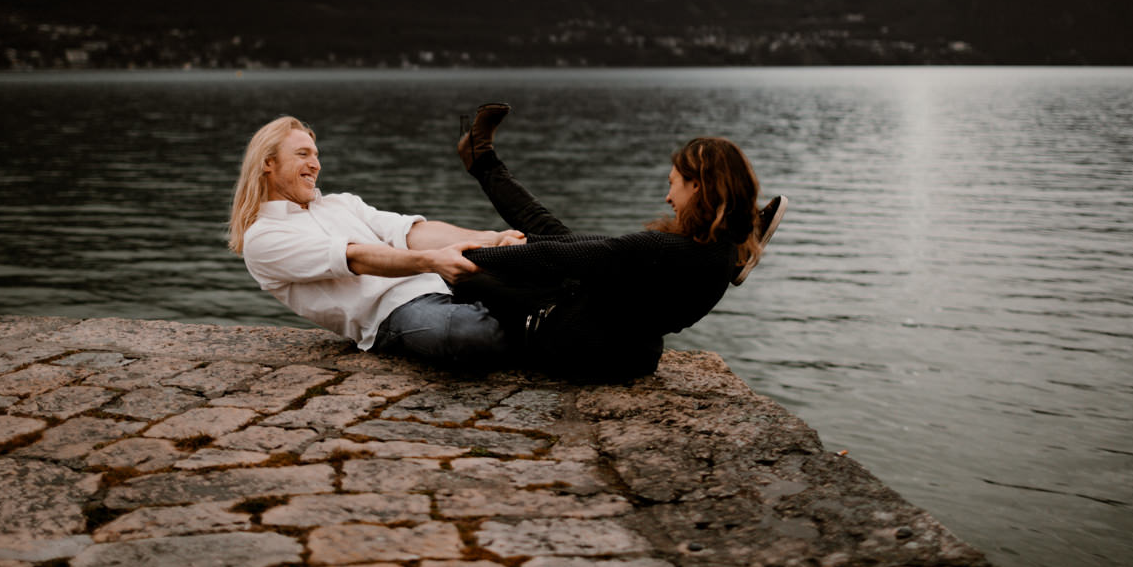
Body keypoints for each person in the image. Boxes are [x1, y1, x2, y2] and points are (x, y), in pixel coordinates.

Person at [453, 102, 785, 382]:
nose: (668, 196)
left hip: (573, 338)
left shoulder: (667, 249)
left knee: (469, 275)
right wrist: (523, 242)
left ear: (696, 186)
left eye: (674, 184)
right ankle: (481, 159)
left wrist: (474, 252)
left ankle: (478, 168)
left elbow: (565, 256)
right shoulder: (714, 251)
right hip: (629, 351)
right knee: (549, 232)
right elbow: (601, 249)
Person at [229, 115, 524, 370]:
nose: (315, 164)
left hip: (441, 282)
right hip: (391, 315)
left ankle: (534, 321)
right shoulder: (263, 237)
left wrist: (493, 238)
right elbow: (354, 258)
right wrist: (431, 261)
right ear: (268, 162)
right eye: (303, 154)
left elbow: (410, 233)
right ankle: (532, 327)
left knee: (534, 263)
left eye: (316, 155)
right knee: (471, 333)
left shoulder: (340, 203)